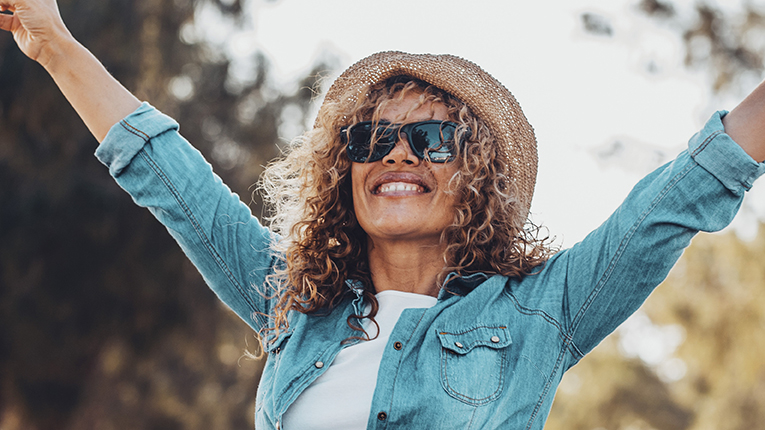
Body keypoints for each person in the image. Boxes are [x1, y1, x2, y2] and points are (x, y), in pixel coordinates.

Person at [2, 1, 765, 429]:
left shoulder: (544, 313)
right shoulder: (292, 305)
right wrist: (56, 44)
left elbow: (686, 189)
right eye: (371, 138)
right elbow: (170, 177)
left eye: (432, 138)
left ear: (477, 177)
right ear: (347, 169)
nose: (396, 154)